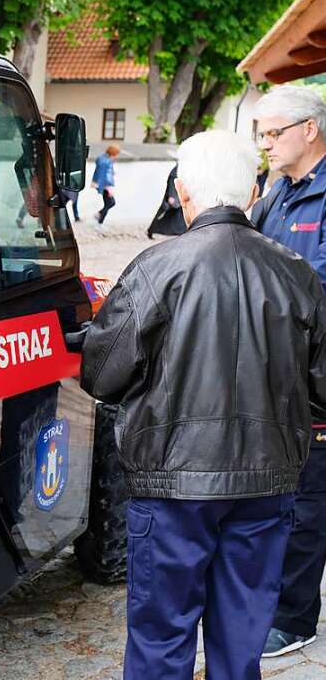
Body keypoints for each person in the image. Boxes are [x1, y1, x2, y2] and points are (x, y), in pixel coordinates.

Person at [81, 129, 326, 680]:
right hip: (266, 484)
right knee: (242, 640)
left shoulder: (154, 269)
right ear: (253, 189)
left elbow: (101, 373)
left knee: (161, 639)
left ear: (184, 193)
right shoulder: (297, 273)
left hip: (173, 486)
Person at [250, 85, 326, 658]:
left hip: (317, 377)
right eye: (260, 134)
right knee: (283, 491)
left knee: (307, 499)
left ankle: (295, 618)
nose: (265, 144)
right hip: (275, 370)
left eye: (273, 133)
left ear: (310, 130)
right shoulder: (277, 192)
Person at [146, 164, 186, 238]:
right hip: (172, 197)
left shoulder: (183, 168)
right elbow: (172, 181)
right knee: (162, 214)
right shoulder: (176, 171)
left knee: (179, 216)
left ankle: (181, 232)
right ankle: (151, 230)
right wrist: (171, 196)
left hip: (178, 196)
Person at [92, 144, 120, 227]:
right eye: (116, 154)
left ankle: (99, 218)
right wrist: (108, 188)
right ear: (113, 153)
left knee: (109, 203)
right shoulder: (105, 161)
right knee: (111, 203)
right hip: (105, 186)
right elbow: (104, 176)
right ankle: (99, 219)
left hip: (102, 185)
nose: (116, 156)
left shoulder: (104, 159)